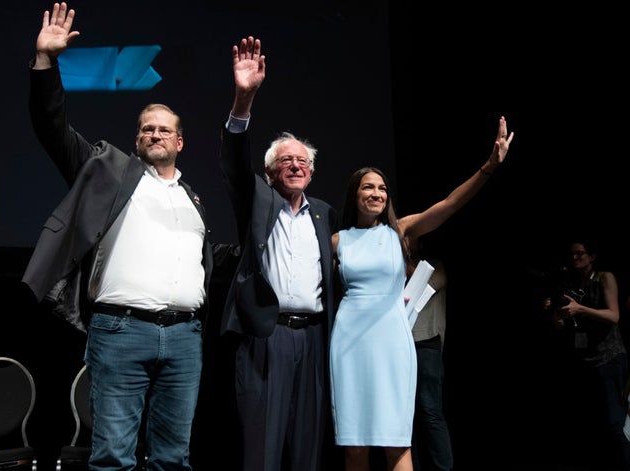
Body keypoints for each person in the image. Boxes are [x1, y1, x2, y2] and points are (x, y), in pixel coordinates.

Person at [21, 3, 236, 470]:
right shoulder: (108, 170)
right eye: (146, 129)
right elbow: (52, 127)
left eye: (165, 129)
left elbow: (205, 257)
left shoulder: (192, 200)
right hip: (120, 332)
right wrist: (45, 62)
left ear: (180, 142)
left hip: (184, 337)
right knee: (114, 457)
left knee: (173, 458)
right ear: (136, 139)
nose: (155, 134)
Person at [329, 116, 513, 471]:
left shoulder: (403, 231)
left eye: (382, 188)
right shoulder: (338, 241)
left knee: (396, 440)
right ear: (355, 193)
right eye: (368, 187)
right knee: (354, 445)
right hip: (348, 343)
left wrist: (488, 168)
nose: (376, 194)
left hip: (393, 340)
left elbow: (450, 204)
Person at [218, 36, 338, 471]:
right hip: (267, 337)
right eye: (286, 160)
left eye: (303, 161)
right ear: (270, 172)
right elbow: (233, 162)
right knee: (262, 449)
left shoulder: (325, 215)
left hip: (315, 338)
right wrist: (243, 100)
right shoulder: (258, 200)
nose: (295, 166)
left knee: (308, 448)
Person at [542, 238, 630, 470]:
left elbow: (614, 316)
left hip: (609, 358)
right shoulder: (570, 285)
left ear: (592, 256)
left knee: (615, 422)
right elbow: (560, 326)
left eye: (580, 253)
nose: (575, 258)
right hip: (584, 360)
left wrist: (580, 308)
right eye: (572, 254)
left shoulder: (604, 277)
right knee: (591, 422)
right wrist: (555, 309)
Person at [407, 237, 453, 471]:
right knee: (406, 416)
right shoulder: (393, 270)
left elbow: (421, 287)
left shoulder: (435, 266)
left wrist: (403, 258)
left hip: (427, 345)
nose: (403, 240)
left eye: (408, 237)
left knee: (430, 409)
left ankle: (443, 468)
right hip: (401, 346)